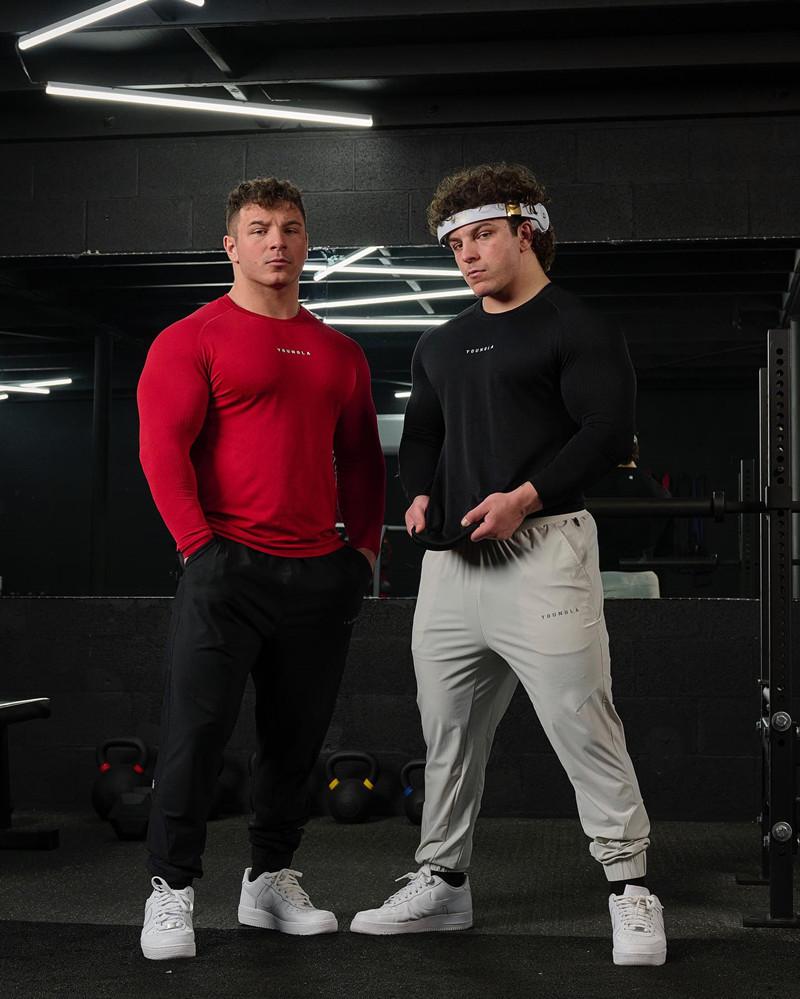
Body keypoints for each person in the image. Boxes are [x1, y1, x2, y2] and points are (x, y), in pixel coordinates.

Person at [350, 163, 667, 966]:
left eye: (483, 234)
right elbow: (423, 432)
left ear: (527, 232)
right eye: (455, 242)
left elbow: (606, 431)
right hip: (452, 567)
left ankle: (629, 886)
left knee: (581, 720)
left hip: (543, 549)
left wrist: (524, 497)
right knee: (448, 730)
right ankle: (443, 880)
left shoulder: (576, 325)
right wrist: (419, 493)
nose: (467, 253)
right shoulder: (441, 341)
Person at [137, 177, 385, 960]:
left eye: (290, 227)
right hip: (226, 567)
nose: (277, 240)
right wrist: (197, 547)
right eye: (259, 228)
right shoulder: (192, 337)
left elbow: (362, 460)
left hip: (318, 574)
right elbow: (162, 448)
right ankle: (171, 888)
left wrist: (363, 553)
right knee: (196, 734)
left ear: (306, 242)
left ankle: (269, 878)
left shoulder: (340, 352)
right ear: (231, 246)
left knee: (294, 739)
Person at [587, 434, 673, 598]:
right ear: (635, 450)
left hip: (601, 578)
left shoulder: (589, 489)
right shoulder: (659, 492)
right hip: (646, 581)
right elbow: (666, 549)